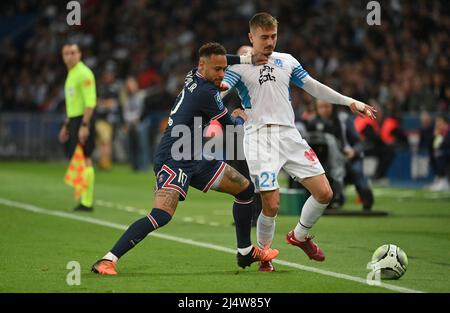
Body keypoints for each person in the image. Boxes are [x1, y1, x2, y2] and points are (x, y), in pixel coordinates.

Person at [91, 42, 278, 275]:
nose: (222, 74)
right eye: (217, 70)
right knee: (161, 215)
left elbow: (222, 59)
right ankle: (107, 260)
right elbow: (231, 128)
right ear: (203, 65)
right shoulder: (207, 93)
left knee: (245, 190)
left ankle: (245, 251)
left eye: (223, 69)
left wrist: (247, 60)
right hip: (174, 157)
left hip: (195, 155)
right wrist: (240, 116)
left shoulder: (194, 75)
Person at [222, 13, 376, 272]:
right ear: (251, 37)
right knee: (271, 203)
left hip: (290, 135)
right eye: (264, 37)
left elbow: (314, 86)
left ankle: (300, 236)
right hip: (259, 138)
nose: (270, 41)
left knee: (325, 192)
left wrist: (350, 101)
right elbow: (218, 90)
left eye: (273, 36)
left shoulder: (287, 61)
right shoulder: (239, 67)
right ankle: (265, 257)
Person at [307, 100, 374, 211]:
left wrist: (354, 151)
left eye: (327, 106)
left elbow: (358, 142)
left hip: (346, 156)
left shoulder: (343, 119)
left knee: (356, 171)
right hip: (321, 159)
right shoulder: (312, 122)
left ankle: (366, 197)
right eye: (321, 107)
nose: (324, 110)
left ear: (332, 106)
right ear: (316, 108)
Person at [223, 45, 263, 227]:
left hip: (258, 133)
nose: (245, 58)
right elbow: (220, 103)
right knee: (239, 175)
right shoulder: (230, 81)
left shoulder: (260, 81)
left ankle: (258, 215)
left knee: (256, 174)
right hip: (236, 135)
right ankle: (246, 215)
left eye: (248, 54)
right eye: (241, 55)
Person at [58, 43, 97, 212]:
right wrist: (66, 125)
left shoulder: (84, 73)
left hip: (83, 119)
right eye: (66, 53)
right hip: (74, 119)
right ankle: (83, 198)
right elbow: (73, 104)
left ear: (80, 54)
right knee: (79, 158)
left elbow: (90, 102)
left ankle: (87, 202)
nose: (69, 56)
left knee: (86, 157)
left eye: (73, 52)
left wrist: (85, 125)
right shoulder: (72, 74)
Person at [428, 114, 450, 192]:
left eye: (439, 122)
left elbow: (447, 143)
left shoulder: (448, 131)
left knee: (441, 154)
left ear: (445, 123)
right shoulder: (441, 132)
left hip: (447, 152)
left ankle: (443, 180)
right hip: (445, 152)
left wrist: (440, 137)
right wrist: (435, 136)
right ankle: (439, 179)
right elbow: (435, 145)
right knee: (434, 155)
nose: (437, 124)